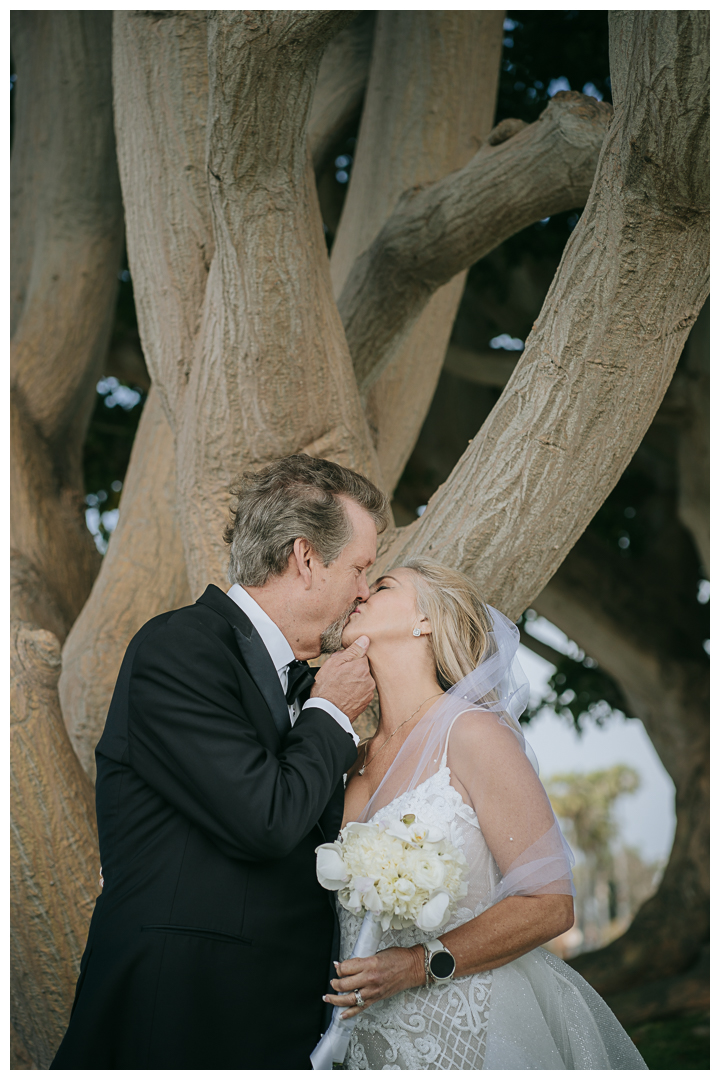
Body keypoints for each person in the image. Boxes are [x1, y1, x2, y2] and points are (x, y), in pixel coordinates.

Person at [51, 454, 389, 1070]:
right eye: (361, 568)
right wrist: (332, 714)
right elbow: (263, 816)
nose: (365, 590)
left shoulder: (298, 682)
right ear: (306, 558)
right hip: (182, 1014)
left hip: (272, 1020)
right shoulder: (180, 648)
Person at [324, 558, 648, 1070]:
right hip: (364, 1039)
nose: (359, 594)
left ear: (424, 622)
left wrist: (415, 965)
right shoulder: (349, 755)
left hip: (467, 1028)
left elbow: (550, 904)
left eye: (382, 586)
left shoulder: (472, 733)